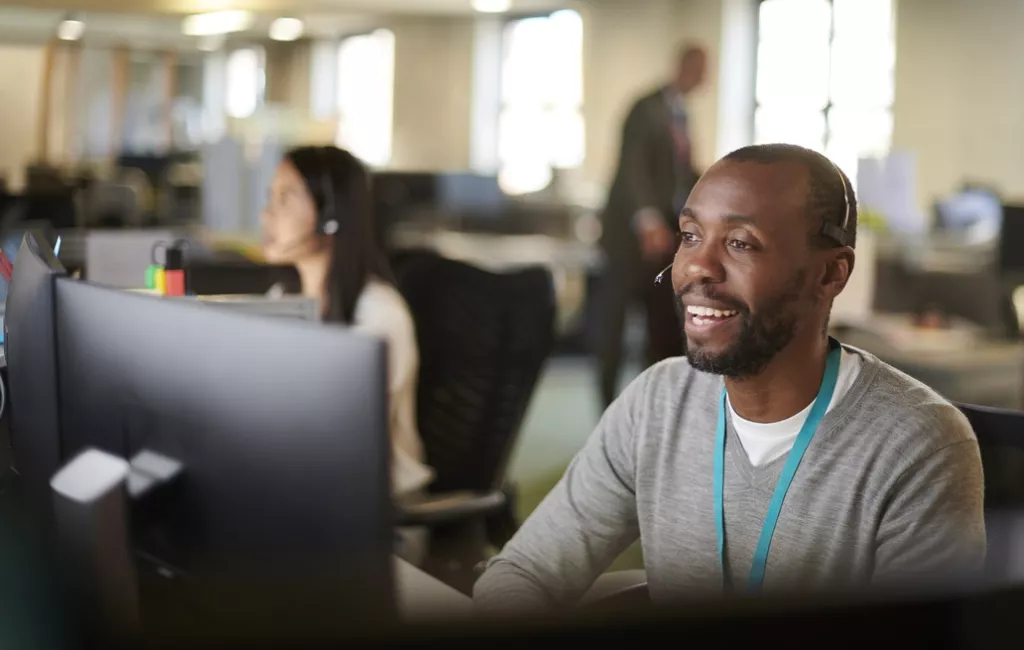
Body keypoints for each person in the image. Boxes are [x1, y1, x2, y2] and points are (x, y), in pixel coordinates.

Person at [474, 144, 986, 611]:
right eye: (691, 236)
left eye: (741, 243)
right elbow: (522, 573)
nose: (697, 268)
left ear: (831, 274)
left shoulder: (918, 447)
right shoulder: (659, 402)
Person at [261, 145, 434, 498]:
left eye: (286, 197)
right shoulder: (282, 299)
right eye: (270, 197)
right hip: (306, 490)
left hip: (378, 510)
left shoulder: (379, 313)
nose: (267, 214)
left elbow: (340, 435)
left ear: (330, 213)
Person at [597, 44, 708, 408]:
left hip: (666, 241)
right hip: (628, 237)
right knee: (613, 325)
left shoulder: (682, 115)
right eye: (700, 68)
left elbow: (680, 175)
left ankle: (652, 407)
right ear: (683, 66)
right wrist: (647, 220)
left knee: (661, 326)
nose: (705, 77)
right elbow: (633, 168)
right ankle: (606, 407)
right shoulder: (646, 108)